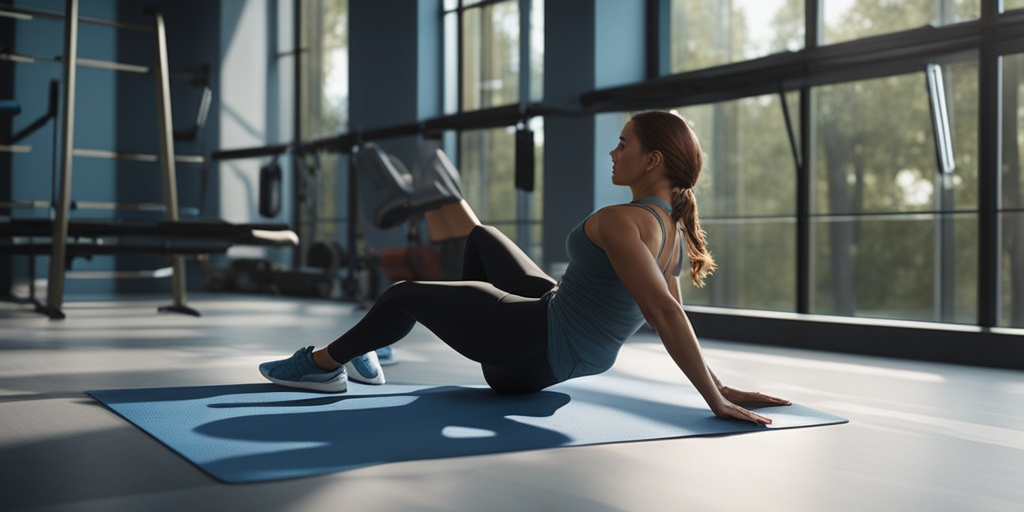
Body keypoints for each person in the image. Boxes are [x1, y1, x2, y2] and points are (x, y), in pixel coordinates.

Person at [259, 111, 790, 425]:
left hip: (527, 356)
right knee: (483, 237)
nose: (613, 150)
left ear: (652, 161)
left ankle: (325, 366)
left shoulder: (623, 222)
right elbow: (670, 310)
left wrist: (715, 398)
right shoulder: (669, 227)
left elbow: (665, 315)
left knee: (401, 295)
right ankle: (395, 332)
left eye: (623, 144)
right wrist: (720, 385)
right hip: (553, 333)